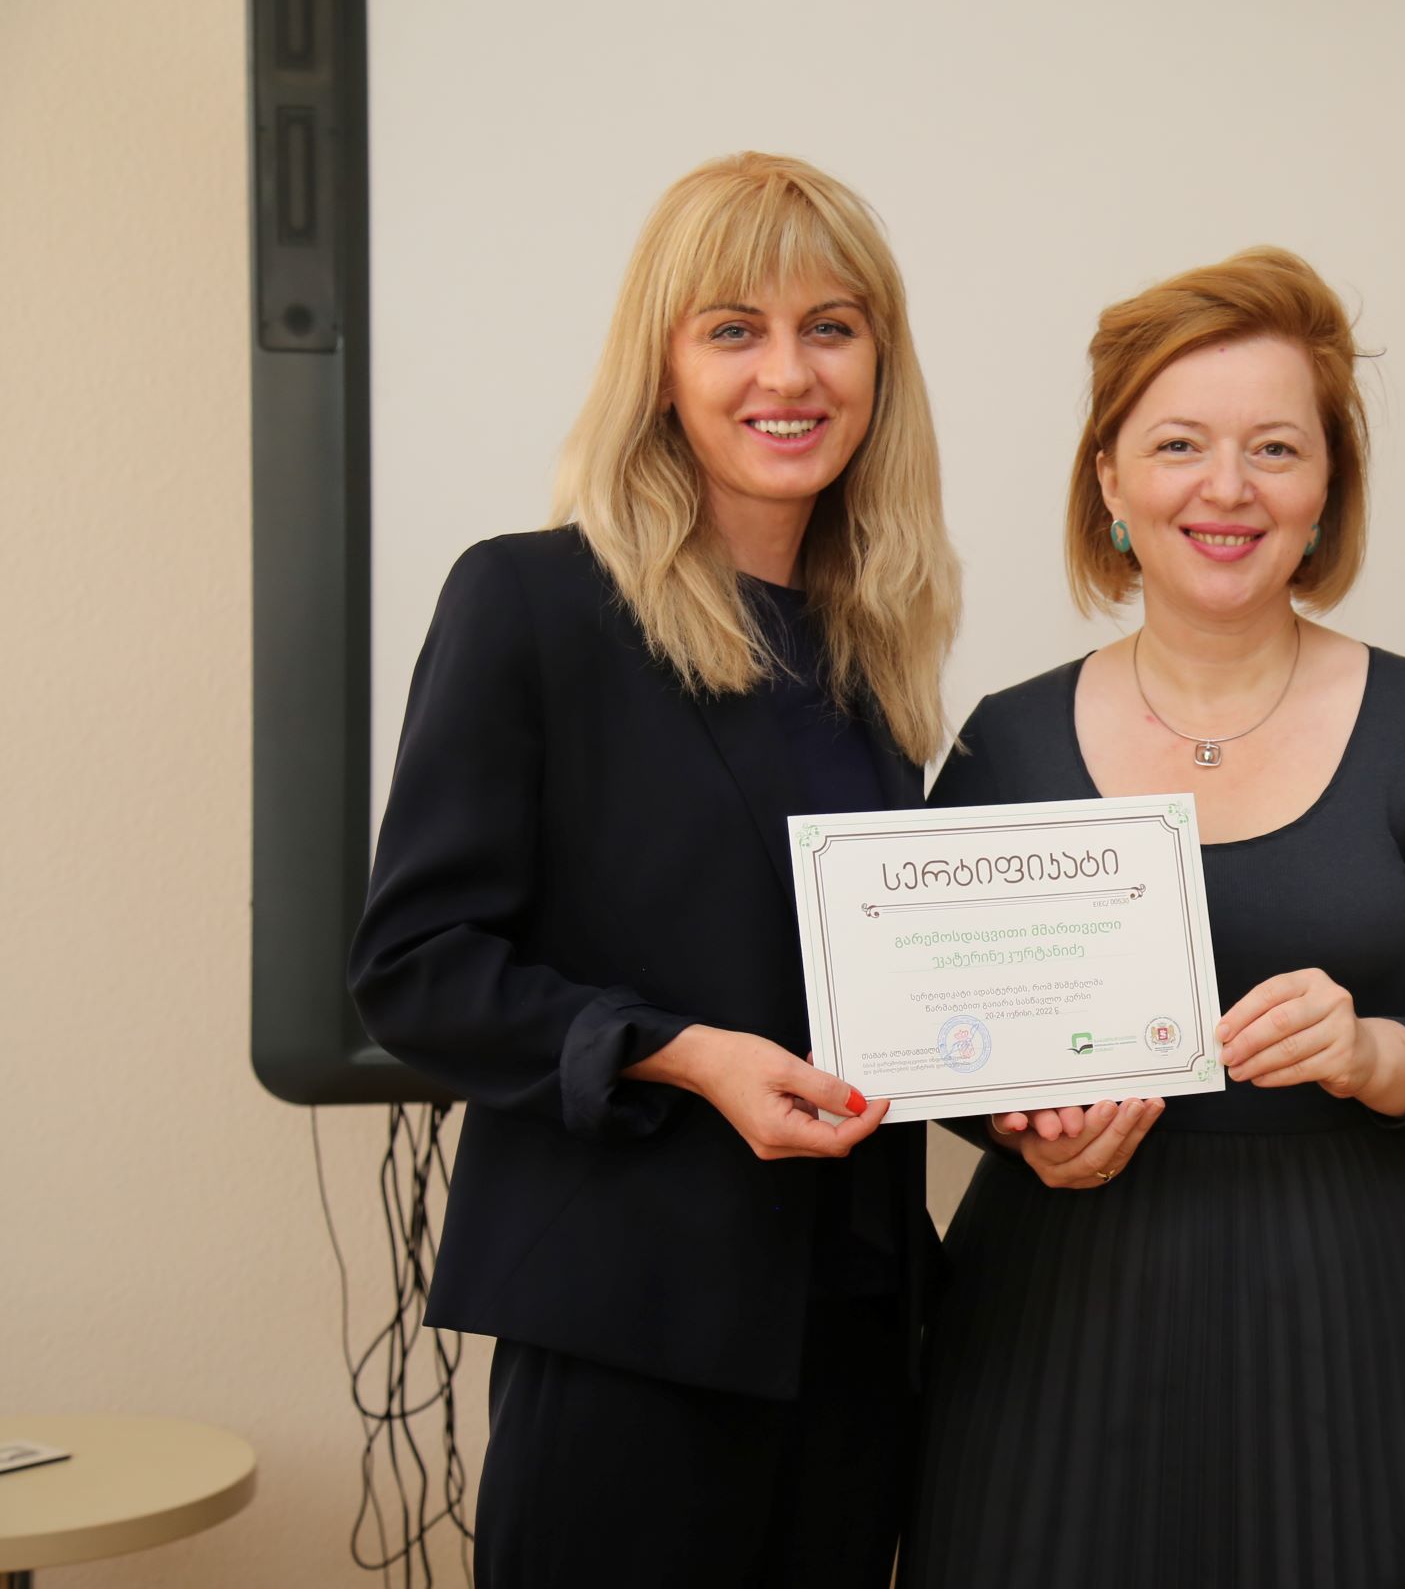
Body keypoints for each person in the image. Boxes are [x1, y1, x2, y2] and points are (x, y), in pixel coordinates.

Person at [349, 152, 960, 1588]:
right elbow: (414, 971)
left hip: (855, 1333)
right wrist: (684, 1054)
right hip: (634, 1330)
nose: (788, 373)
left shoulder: (873, 646)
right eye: (734, 329)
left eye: (831, 327)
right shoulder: (532, 600)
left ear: (879, 363)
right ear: (664, 368)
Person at [899, 248, 1405, 1589]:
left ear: (1327, 487)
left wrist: (1376, 1050)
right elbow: (929, 1030)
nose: (1228, 488)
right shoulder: (1008, 740)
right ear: (1110, 480)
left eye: (1276, 448)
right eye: (1180, 444)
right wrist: (1016, 1121)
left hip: (1348, 1302)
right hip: (1053, 1307)